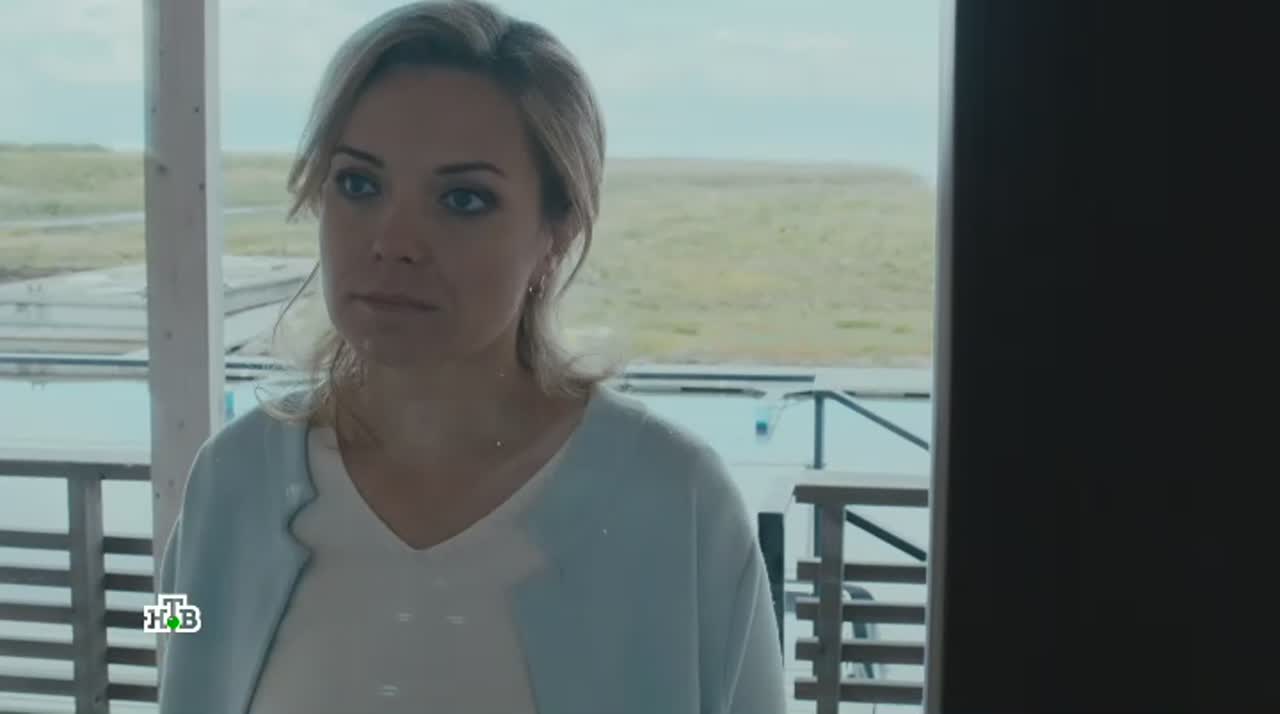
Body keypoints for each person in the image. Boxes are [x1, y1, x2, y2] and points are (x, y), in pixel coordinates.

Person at [155, 1, 786, 712]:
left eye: (462, 199)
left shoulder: (676, 502)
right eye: (358, 184)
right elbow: (175, 636)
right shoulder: (230, 480)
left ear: (555, 234)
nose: (394, 242)